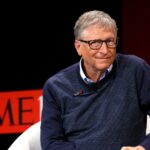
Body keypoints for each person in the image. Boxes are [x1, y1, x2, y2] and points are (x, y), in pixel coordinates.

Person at [40, 10, 150, 150]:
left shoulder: (136, 70)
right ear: (78, 47)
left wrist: (144, 147)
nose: (104, 50)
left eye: (110, 41)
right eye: (95, 43)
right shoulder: (56, 86)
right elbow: (51, 143)